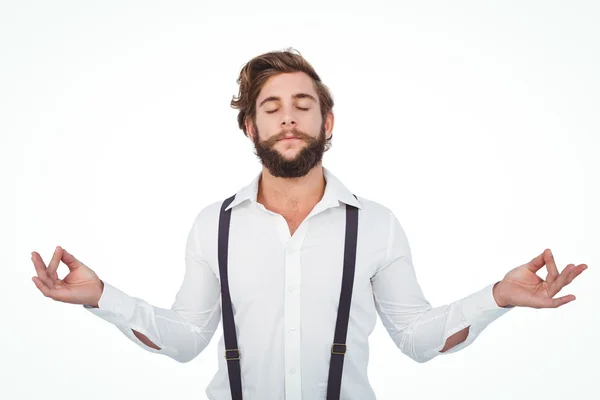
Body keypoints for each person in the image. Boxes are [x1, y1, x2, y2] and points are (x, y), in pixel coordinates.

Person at [31, 48, 588, 400]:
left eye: (303, 104)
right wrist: (99, 296)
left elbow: (419, 340)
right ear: (250, 127)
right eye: (271, 108)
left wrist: (499, 296)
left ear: (328, 122)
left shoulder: (377, 225)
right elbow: (184, 340)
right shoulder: (213, 225)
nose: (289, 116)